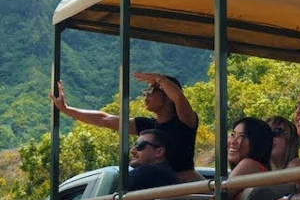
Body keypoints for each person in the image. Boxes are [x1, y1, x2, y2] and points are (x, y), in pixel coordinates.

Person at [51, 72, 201, 182]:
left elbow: (179, 97)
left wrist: (159, 79)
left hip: (187, 186)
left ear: (168, 96)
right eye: (145, 91)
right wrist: (66, 109)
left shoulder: (185, 121)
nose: (145, 95)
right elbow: (106, 119)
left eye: (150, 91)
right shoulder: (147, 126)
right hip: (163, 186)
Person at [78, 129, 178, 200]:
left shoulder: (143, 173)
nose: (132, 151)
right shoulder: (174, 179)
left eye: (140, 146)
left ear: (159, 152)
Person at [199, 117, 273, 200]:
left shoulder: (249, 165)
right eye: (233, 135)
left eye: (242, 136)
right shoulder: (258, 168)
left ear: (257, 143)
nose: (233, 141)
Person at [266, 115, 300, 193]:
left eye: (276, 132)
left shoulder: (297, 165)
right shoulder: (264, 170)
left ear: (290, 139)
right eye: (266, 134)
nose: (269, 137)